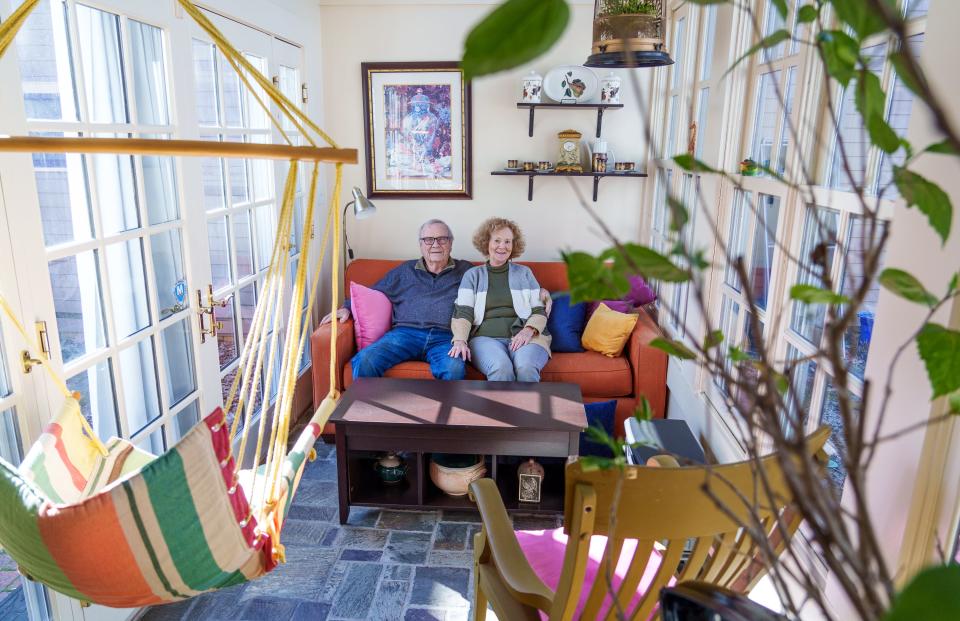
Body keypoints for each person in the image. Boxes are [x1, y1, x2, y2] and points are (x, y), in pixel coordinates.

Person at [320, 219, 552, 381]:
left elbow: (499, 283)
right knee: (366, 360)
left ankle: (448, 451)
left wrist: (540, 291)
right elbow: (374, 293)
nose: (435, 245)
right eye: (429, 240)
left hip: (445, 337)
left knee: (453, 369)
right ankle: (370, 432)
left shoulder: (466, 271)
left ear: (451, 243)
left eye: (442, 239)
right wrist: (347, 308)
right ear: (420, 244)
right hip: (404, 334)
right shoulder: (405, 271)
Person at [449, 218, 551, 382]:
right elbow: (463, 312)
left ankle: (527, 408)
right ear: (486, 243)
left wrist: (529, 330)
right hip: (485, 339)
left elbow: (539, 310)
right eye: (497, 240)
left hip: (526, 336)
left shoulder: (524, 273)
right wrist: (460, 340)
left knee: (526, 367)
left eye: (507, 241)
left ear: (513, 245)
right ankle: (500, 409)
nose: (502, 246)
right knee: (500, 368)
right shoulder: (473, 275)